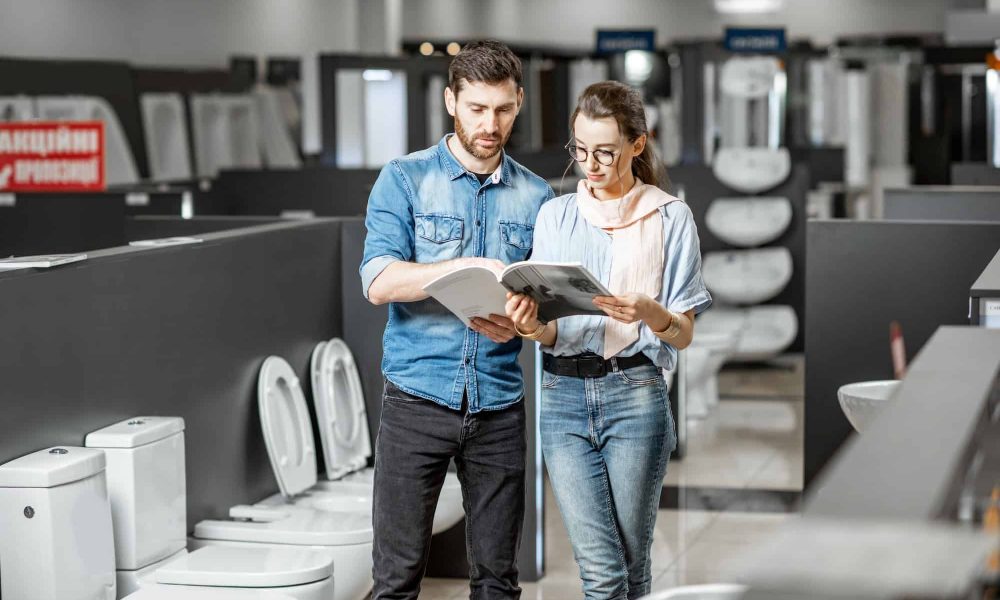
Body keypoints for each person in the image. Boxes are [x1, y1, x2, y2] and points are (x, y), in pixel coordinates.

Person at [360, 40, 554, 600]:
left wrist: (521, 320)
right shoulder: (403, 178)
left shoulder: (538, 197)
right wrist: (465, 266)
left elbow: (541, 308)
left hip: (499, 406)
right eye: (476, 109)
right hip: (416, 401)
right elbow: (377, 281)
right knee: (395, 581)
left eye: (502, 109)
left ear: (518, 104)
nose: (490, 124)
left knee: (498, 582)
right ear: (451, 101)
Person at [505, 81, 712, 600]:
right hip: (562, 400)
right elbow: (551, 329)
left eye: (605, 152)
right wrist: (531, 327)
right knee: (602, 571)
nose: (590, 165)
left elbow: (683, 335)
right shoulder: (556, 216)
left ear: (637, 146)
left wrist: (652, 313)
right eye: (580, 150)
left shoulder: (670, 217)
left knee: (633, 566)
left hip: (636, 394)